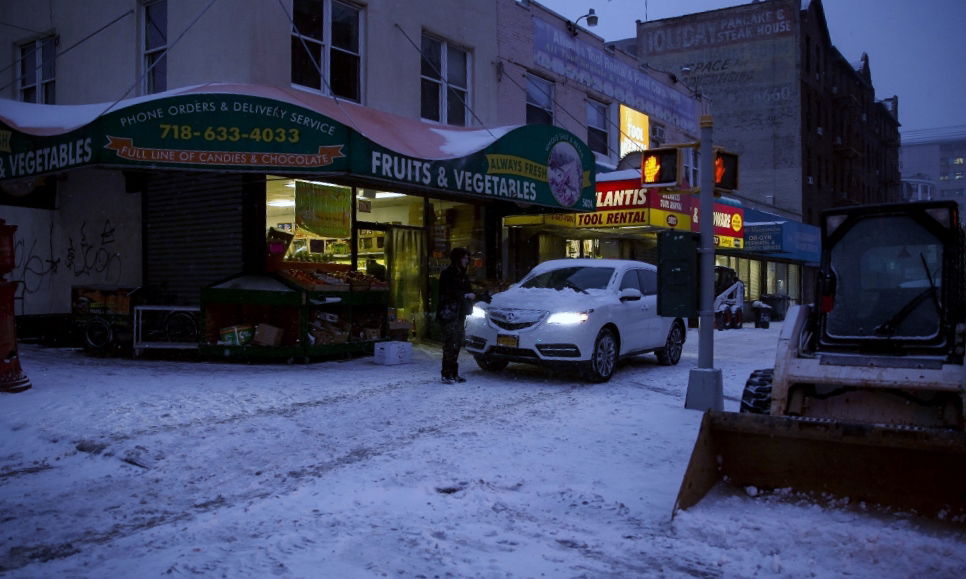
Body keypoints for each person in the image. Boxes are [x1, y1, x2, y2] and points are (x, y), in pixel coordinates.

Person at [437, 247, 475, 384]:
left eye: (467, 258)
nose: (467, 261)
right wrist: (465, 295)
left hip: (459, 314)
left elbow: (468, 291)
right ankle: (447, 373)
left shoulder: (463, 275)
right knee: (450, 344)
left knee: (457, 343)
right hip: (449, 314)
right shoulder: (448, 274)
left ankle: (453, 372)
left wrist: (476, 295)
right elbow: (449, 292)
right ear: (458, 259)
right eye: (464, 258)